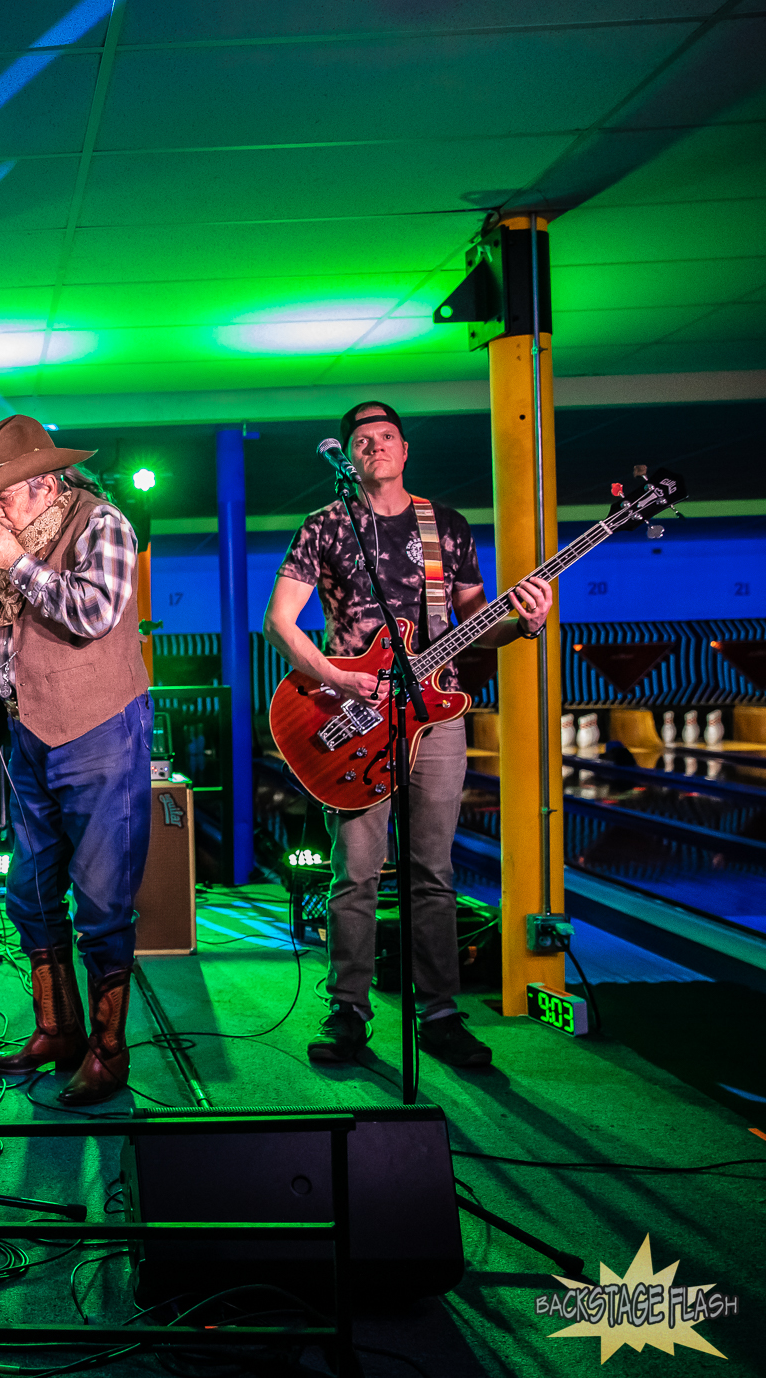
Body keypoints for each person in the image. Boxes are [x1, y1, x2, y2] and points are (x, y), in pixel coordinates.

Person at [266, 400, 552, 1069]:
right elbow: (281, 620)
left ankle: (442, 1014)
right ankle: (348, 1012)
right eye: (362, 440)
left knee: (434, 871)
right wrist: (335, 676)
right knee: (356, 873)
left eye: (386, 437)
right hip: (357, 718)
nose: (375, 447)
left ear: (404, 448)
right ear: (349, 455)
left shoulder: (444, 526)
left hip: (437, 714)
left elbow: (481, 618)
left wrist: (527, 622)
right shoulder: (324, 525)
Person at [0, 417, 152, 1107]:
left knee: (101, 900)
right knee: (30, 891)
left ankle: (109, 1049)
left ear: (41, 485)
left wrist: (14, 562)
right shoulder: (4, 545)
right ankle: (58, 1028)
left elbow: (93, 612)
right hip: (25, 732)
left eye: (1, 497)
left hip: (98, 728)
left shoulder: (104, 524)